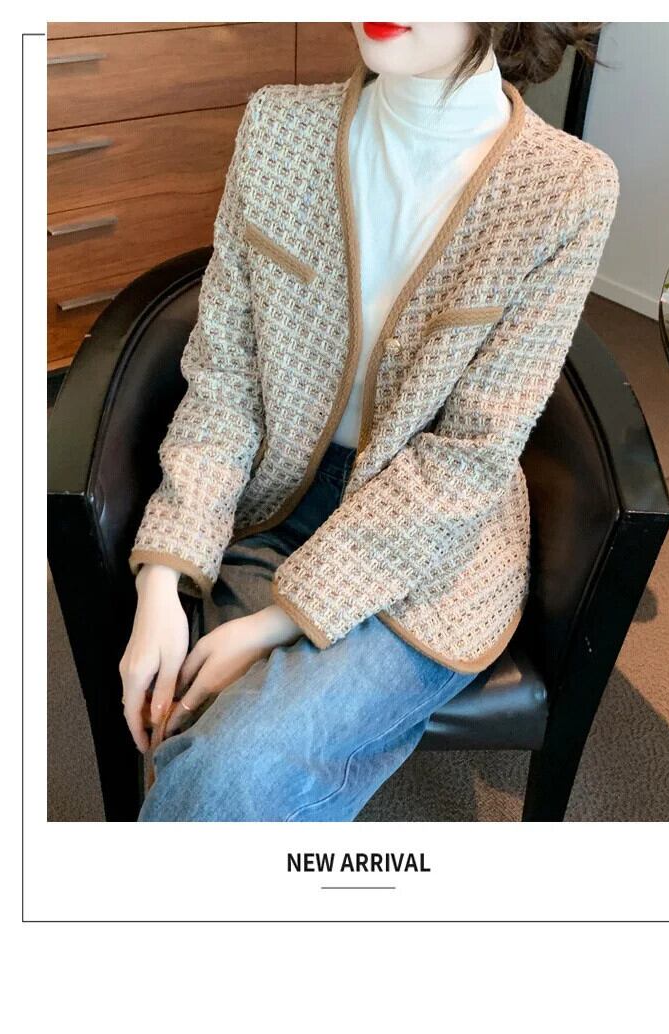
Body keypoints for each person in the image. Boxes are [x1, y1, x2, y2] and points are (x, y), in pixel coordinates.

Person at [121, 22, 619, 821]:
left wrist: (274, 624)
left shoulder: (567, 187)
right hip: (276, 503)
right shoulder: (279, 127)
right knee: (195, 740)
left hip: (435, 549)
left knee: (231, 777)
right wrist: (163, 580)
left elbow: (469, 455)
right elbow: (225, 376)